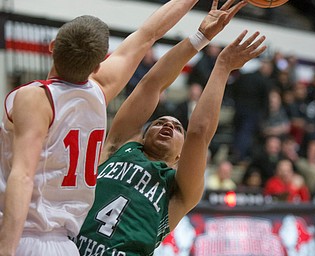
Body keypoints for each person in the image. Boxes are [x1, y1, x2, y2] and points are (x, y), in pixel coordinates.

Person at [0, 0, 203, 255]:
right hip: (65, 245)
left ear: (52, 47)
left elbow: (23, 177)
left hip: (22, 234)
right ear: (97, 65)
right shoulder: (99, 93)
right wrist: (201, 33)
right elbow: (147, 34)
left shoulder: (35, 97)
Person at [74, 1, 267, 254]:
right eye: (159, 123)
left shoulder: (179, 191)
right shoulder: (116, 147)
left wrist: (222, 67)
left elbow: (198, 133)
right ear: (142, 138)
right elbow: (151, 85)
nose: (167, 124)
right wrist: (200, 38)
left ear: (179, 156)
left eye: (177, 128)